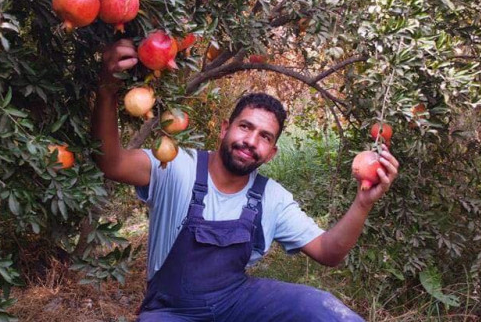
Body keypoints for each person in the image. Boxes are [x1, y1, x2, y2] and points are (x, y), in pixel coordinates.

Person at [92, 39, 400, 322]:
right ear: (225, 128)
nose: (251, 141)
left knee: (323, 311)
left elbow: (329, 252)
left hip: (235, 304)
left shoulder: (272, 198)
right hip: (172, 312)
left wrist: (363, 203)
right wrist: (107, 90)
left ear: (272, 153)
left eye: (264, 137)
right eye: (245, 127)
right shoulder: (175, 166)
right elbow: (112, 162)